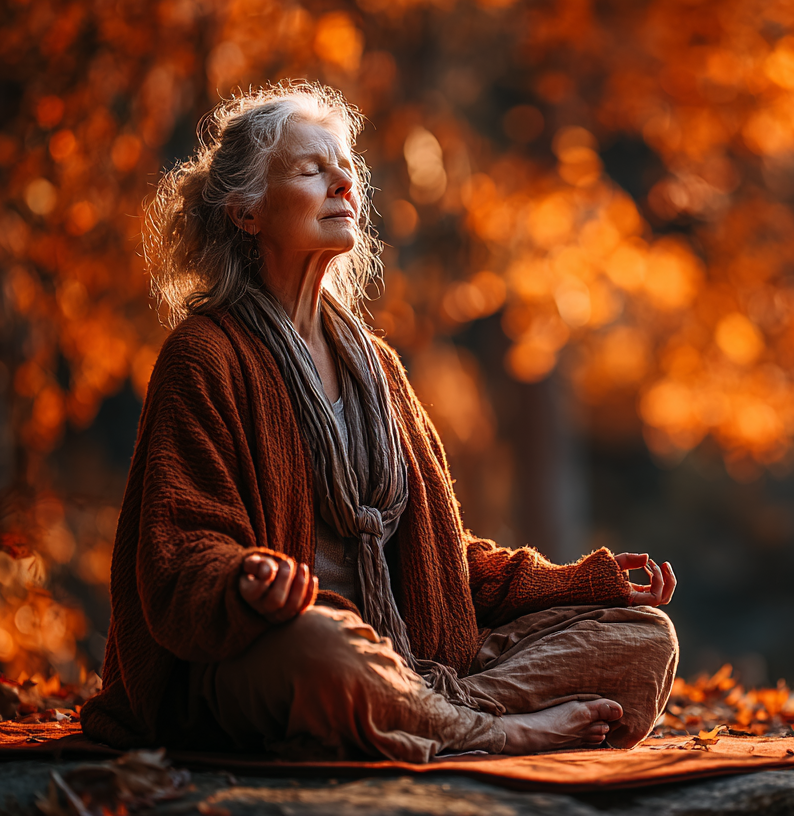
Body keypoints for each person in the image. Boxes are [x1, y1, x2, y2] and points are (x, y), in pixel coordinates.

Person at [79, 81, 679, 762]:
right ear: (246, 213)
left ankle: (418, 714)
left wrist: (579, 584)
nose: (343, 181)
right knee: (323, 643)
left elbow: (446, 566)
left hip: (406, 657)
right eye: (312, 169)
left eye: (345, 167)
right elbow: (177, 557)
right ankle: (493, 731)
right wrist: (245, 582)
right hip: (269, 654)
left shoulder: (377, 367)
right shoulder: (204, 355)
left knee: (643, 637)